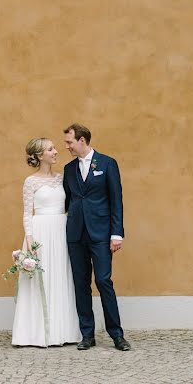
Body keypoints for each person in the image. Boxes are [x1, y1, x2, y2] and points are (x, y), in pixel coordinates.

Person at [62, 123, 131, 351]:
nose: (67, 146)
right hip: (75, 235)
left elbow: (116, 200)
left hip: (101, 234)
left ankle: (117, 335)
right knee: (81, 284)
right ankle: (87, 335)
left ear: (82, 140)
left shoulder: (107, 163)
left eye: (69, 142)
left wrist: (117, 233)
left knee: (103, 281)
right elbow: (68, 201)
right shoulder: (69, 169)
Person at [11, 138, 82, 347]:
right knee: (41, 280)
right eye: (50, 149)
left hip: (61, 231)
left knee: (61, 276)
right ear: (40, 156)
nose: (56, 151)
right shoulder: (30, 182)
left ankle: (64, 331)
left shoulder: (61, 179)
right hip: (40, 231)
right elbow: (27, 213)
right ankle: (35, 333)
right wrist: (30, 239)